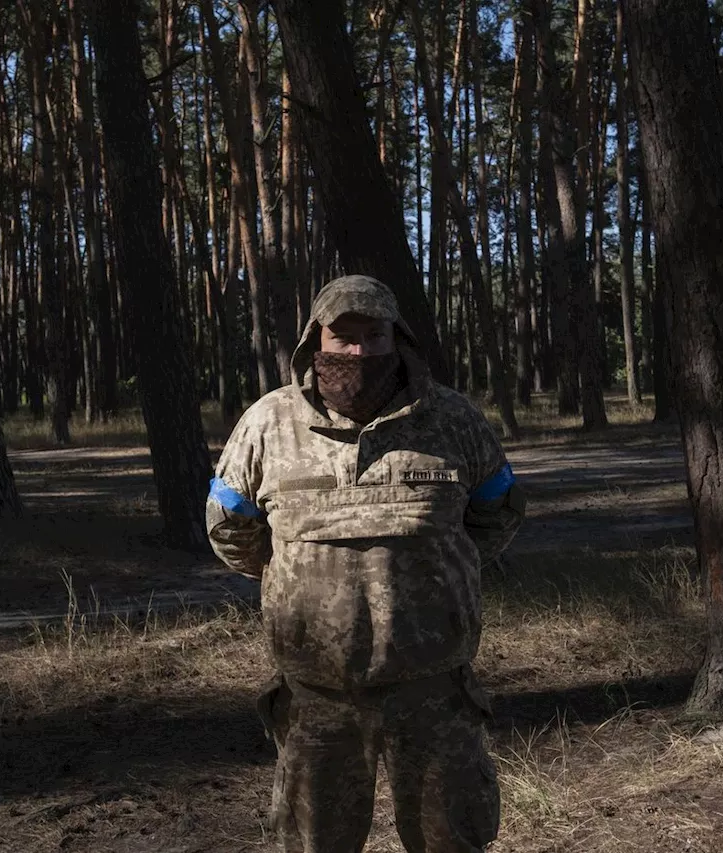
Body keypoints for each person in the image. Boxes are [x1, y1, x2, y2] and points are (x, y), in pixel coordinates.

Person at [206, 274, 525, 853]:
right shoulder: (267, 424)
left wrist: (434, 572)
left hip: (434, 694)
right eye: (342, 337)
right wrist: (295, 581)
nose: (356, 352)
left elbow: (495, 516)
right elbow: (231, 529)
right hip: (317, 700)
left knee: (452, 841)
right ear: (314, 341)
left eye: (372, 336)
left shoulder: (454, 419)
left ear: (397, 338)